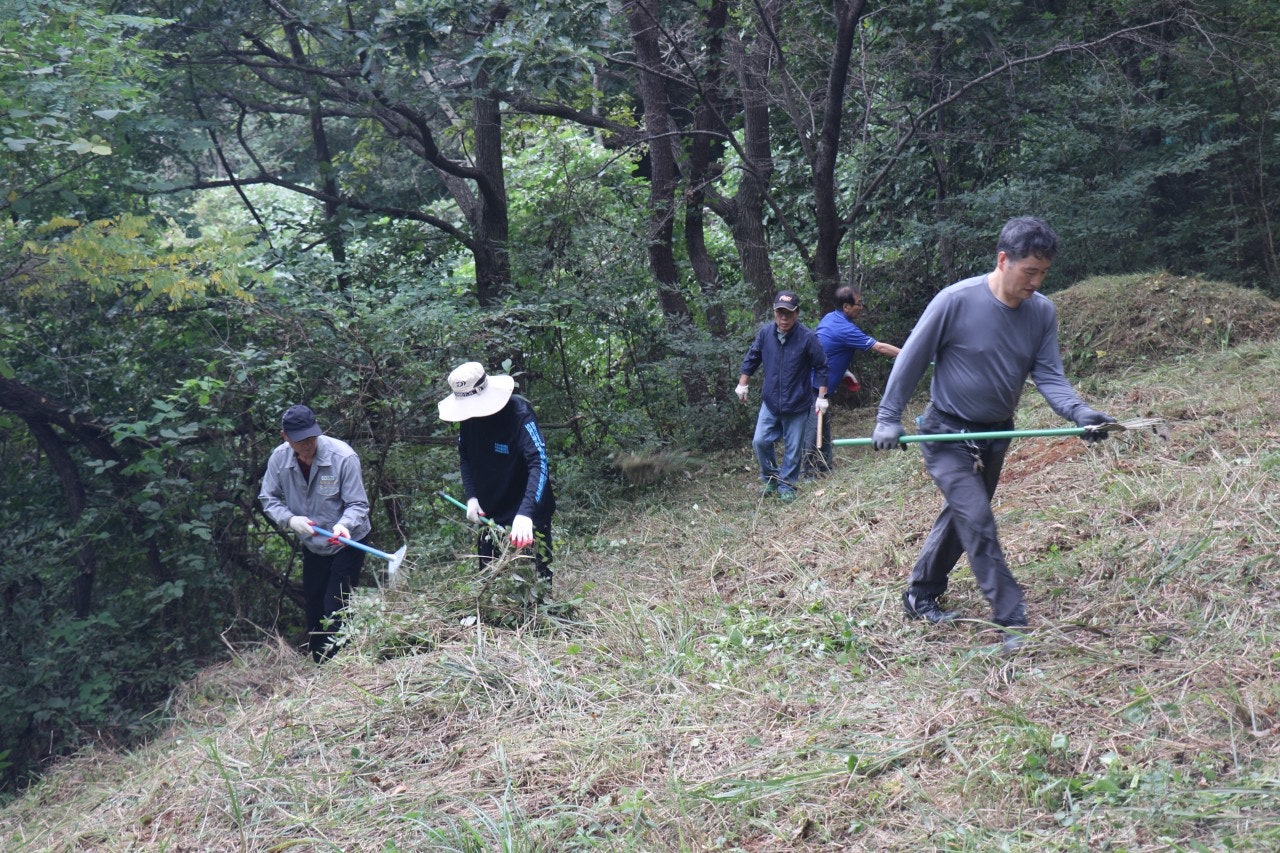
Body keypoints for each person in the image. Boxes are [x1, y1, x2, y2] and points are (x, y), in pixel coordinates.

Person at [872, 216, 1114, 650]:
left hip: (996, 433)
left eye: (1043, 273)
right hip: (946, 431)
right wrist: (888, 416)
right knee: (977, 517)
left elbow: (1049, 376)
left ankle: (920, 593)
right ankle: (1012, 621)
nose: (1036, 283)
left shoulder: (1041, 312)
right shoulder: (956, 301)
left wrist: (1079, 412)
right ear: (1004, 260)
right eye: (1030, 272)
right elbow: (911, 357)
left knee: (966, 512)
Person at [259, 404, 371, 662]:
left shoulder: (343, 457)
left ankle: (341, 666)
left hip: (348, 541)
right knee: (315, 606)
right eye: (300, 441)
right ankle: (320, 665)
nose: (308, 445)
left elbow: (358, 504)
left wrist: (345, 524)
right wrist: (290, 519)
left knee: (336, 606)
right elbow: (268, 497)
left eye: (311, 438)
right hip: (313, 544)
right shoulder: (279, 458)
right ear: (285, 436)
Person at [438, 362, 556, 587]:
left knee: (537, 580)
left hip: (528, 504)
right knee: (490, 580)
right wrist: (472, 496)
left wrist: (526, 513)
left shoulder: (519, 413)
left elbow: (538, 462)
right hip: (491, 510)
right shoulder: (467, 419)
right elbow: (466, 457)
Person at [736, 290, 829, 503]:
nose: (783, 318)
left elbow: (822, 366)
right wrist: (743, 383)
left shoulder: (807, 337)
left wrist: (822, 396)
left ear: (796, 313)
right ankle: (770, 478)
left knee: (794, 448)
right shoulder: (765, 334)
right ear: (774, 312)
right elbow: (752, 357)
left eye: (788, 313)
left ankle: (786, 485)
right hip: (770, 401)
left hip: (797, 403)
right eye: (779, 313)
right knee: (760, 441)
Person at [804, 285, 902, 477]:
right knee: (812, 429)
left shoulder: (830, 318)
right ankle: (807, 473)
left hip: (817, 382)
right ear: (846, 307)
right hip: (812, 385)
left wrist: (843, 372)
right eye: (859, 304)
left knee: (822, 426)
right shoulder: (844, 329)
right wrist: (912, 355)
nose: (862, 307)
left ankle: (824, 467)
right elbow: (880, 348)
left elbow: (825, 350)